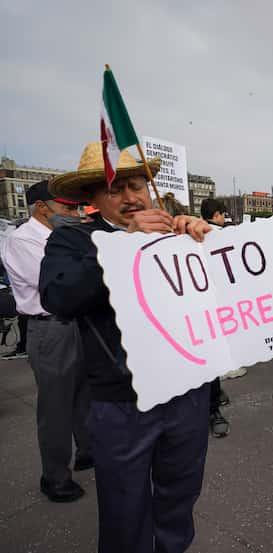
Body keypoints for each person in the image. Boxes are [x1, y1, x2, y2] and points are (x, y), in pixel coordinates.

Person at [40, 142, 213, 552]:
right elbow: (58, 297)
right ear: (94, 199)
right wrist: (128, 245)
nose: (130, 197)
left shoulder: (178, 233)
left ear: (150, 190)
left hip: (187, 393)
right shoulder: (76, 243)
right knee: (124, 509)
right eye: (115, 189)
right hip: (122, 402)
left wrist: (207, 241)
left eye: (136, 185)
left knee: (178, 499)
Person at [0, 180, 92, 503]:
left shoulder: (65, 236)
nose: (74, 213)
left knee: (84, 393)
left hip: (77, 322)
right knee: (56, 406)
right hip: (49, 326)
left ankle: (86, 451)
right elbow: (55, 281)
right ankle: (54, 476)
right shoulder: (23, 240)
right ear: (42, 208)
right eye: (67, 208)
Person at [199, 198, 232, 438]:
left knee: (216, 357)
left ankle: (214, 404)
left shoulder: (220, 234)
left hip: (221, 304)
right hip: (200, 306)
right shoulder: (192, 235)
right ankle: (212, 408)